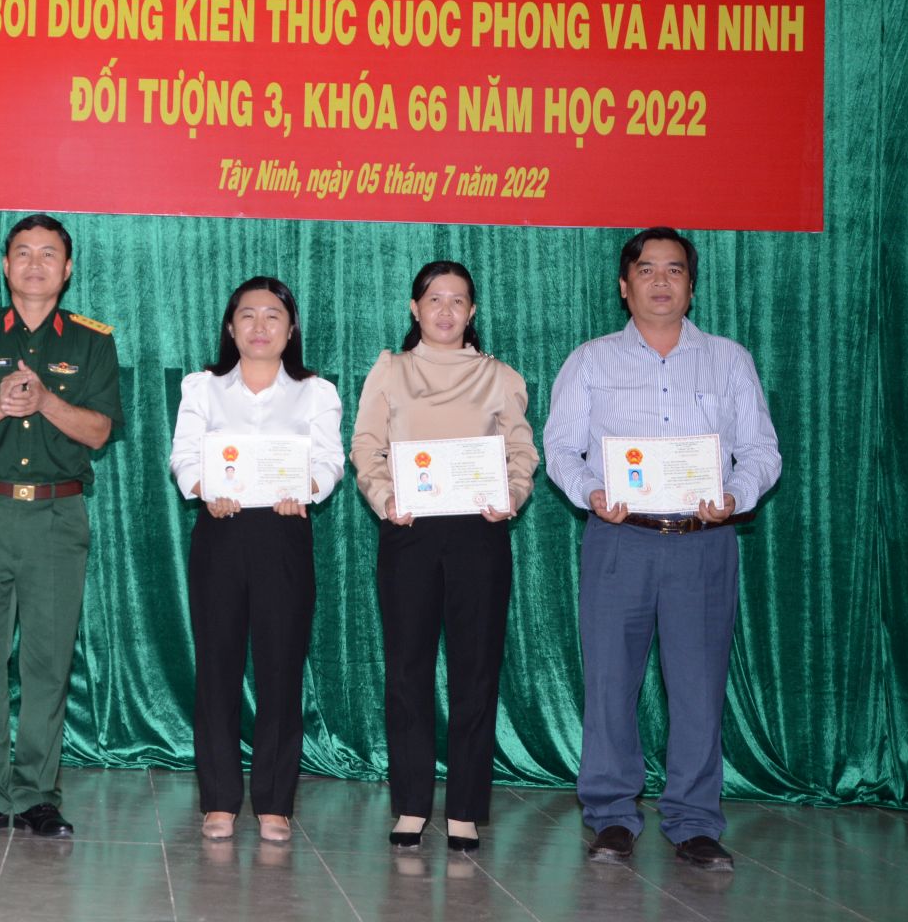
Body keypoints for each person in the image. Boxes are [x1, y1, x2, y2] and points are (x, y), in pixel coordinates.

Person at [544, 228, 781, 871]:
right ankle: (611, 816)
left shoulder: (728, 361)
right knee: (610, 681)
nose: (660, 281)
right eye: (646, 270)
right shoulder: (591, 361)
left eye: (674, 270)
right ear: (624, 286)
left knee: (699, 687)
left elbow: (762, 450)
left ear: (691, 286)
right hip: (620, 537)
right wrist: (592, 492)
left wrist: (736, 495)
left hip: (703, 542)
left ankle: (695, 822)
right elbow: (560, 447)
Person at [0, 213, 121, 839]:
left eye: (48, 254)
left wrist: (46, 402)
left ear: (67, 270)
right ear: (4, 265)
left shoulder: (92, 343)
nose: (35, 264)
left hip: (57, 516)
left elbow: (99, 431)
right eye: (23, 252)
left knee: (48, 659)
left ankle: (38, 792)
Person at [350, 261, 538, 853]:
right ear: (415, 308)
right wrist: (384, 498)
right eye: (435, 299)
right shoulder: (391, 370)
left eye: (458, 300)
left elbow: (522, 450)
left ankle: (464, 810)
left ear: (473, 311)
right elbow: (366, 445)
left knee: (475, 674)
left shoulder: (499, 376)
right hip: (409, 531)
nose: (446, 310)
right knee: (407, 671)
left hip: (479, 533)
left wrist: (512, 495)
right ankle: (411, 805)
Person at [168, 277, 342, 844]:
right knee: (217, 669)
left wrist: (308, 489)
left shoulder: (316, 392)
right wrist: (204, 489)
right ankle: (219, 800)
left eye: (273, 316)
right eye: (248, 315)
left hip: (284, 534)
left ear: (291, 330)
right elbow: (184, 456)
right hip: (221, 531)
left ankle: (274, 802)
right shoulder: (203, 387)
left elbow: (330, 461)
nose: (260, 326)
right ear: (230, 326)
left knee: (280, 670)